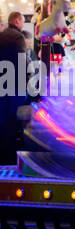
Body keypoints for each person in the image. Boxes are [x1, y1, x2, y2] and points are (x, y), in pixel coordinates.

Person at [0, 12, 30, 165]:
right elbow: (22, 61)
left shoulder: (3, 35)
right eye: (23, 21)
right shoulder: (17, 37)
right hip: (15, 85)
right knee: (12, 122)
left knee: (3, 121)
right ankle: (10, 158)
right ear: (17, 21)